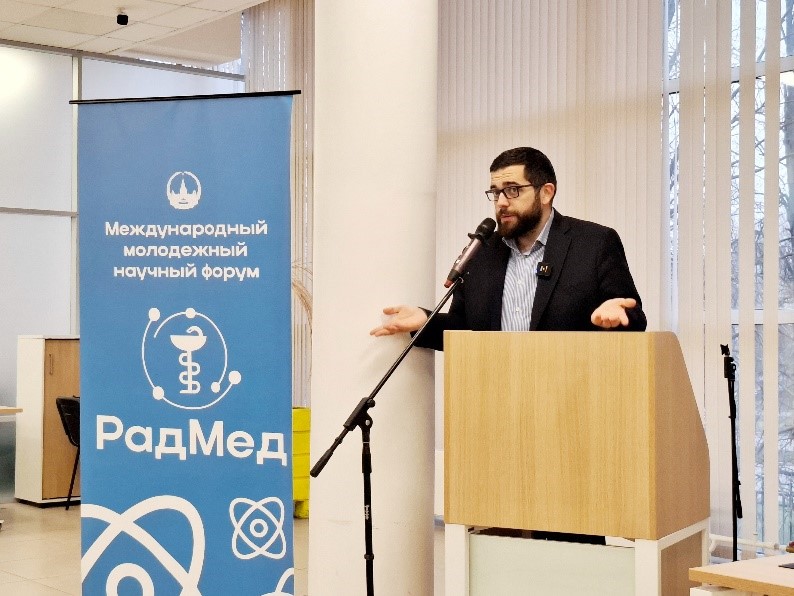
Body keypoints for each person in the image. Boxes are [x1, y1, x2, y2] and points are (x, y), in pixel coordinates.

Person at [370, 146, 647, 346]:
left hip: (571, 395)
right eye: (496, 192)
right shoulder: (482, 252)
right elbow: (462, 329)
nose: (501, 202)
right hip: (498, 396)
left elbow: (634, 319)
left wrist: (619, 314)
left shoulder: (594, 243)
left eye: (513, 190)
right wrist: (424, 320)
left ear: (546, 192)